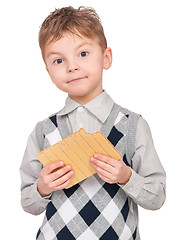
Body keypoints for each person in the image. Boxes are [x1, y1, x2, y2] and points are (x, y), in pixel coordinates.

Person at [20, 6, 166, 240]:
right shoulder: (43, 132)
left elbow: (157, 197)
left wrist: (126, 176)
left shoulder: (132, 126)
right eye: (59, 60)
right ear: (49, 73)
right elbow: (28, 203)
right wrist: (43, 187)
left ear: (106, 58)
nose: (72, 66)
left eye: (83, 54)